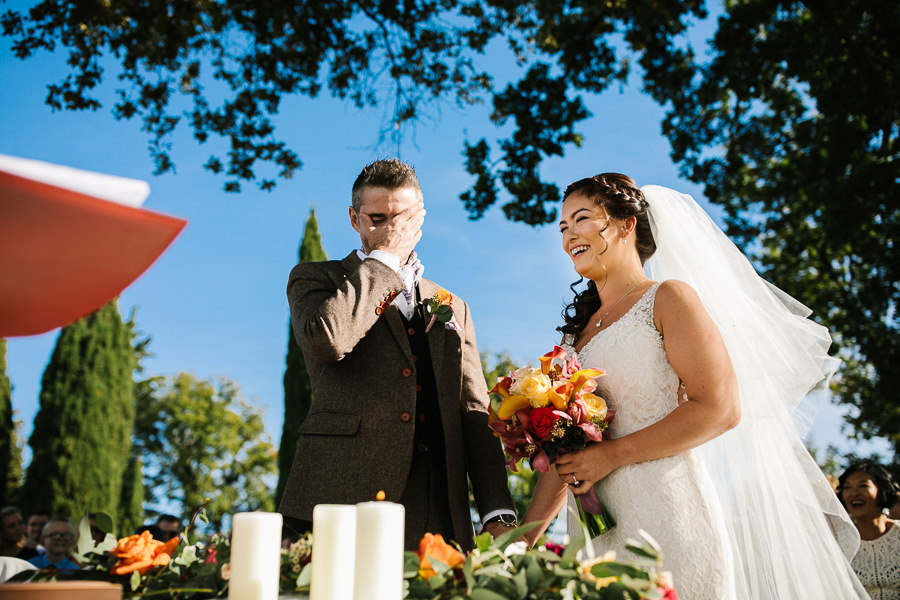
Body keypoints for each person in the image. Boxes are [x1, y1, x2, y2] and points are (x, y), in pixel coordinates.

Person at [522, 173, 867, 598]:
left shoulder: (668, 299)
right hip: (592, 536)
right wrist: (521, 542)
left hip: (668, 518)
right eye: (562, 227)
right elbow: (565, 453)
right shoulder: (574, 340)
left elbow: (720, 407)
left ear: (627, 223)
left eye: (582, 219)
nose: (569, 234)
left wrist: (610, 455)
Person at [278, 158, 515, 550]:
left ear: (419, 219)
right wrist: (385, 260)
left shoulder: (454, 305)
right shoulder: (315, 278)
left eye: (402, 219)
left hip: (437, 506)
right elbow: (329, 339)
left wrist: (497, 511)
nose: (390, 230)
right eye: (377, 218)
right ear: (354, 219)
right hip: (338, 497)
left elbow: (473, 411)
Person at [838, 461, 900, 599]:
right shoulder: (839, 546)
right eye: (847, 487)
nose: (854, 493)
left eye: (863, 486)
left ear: (882, 490)